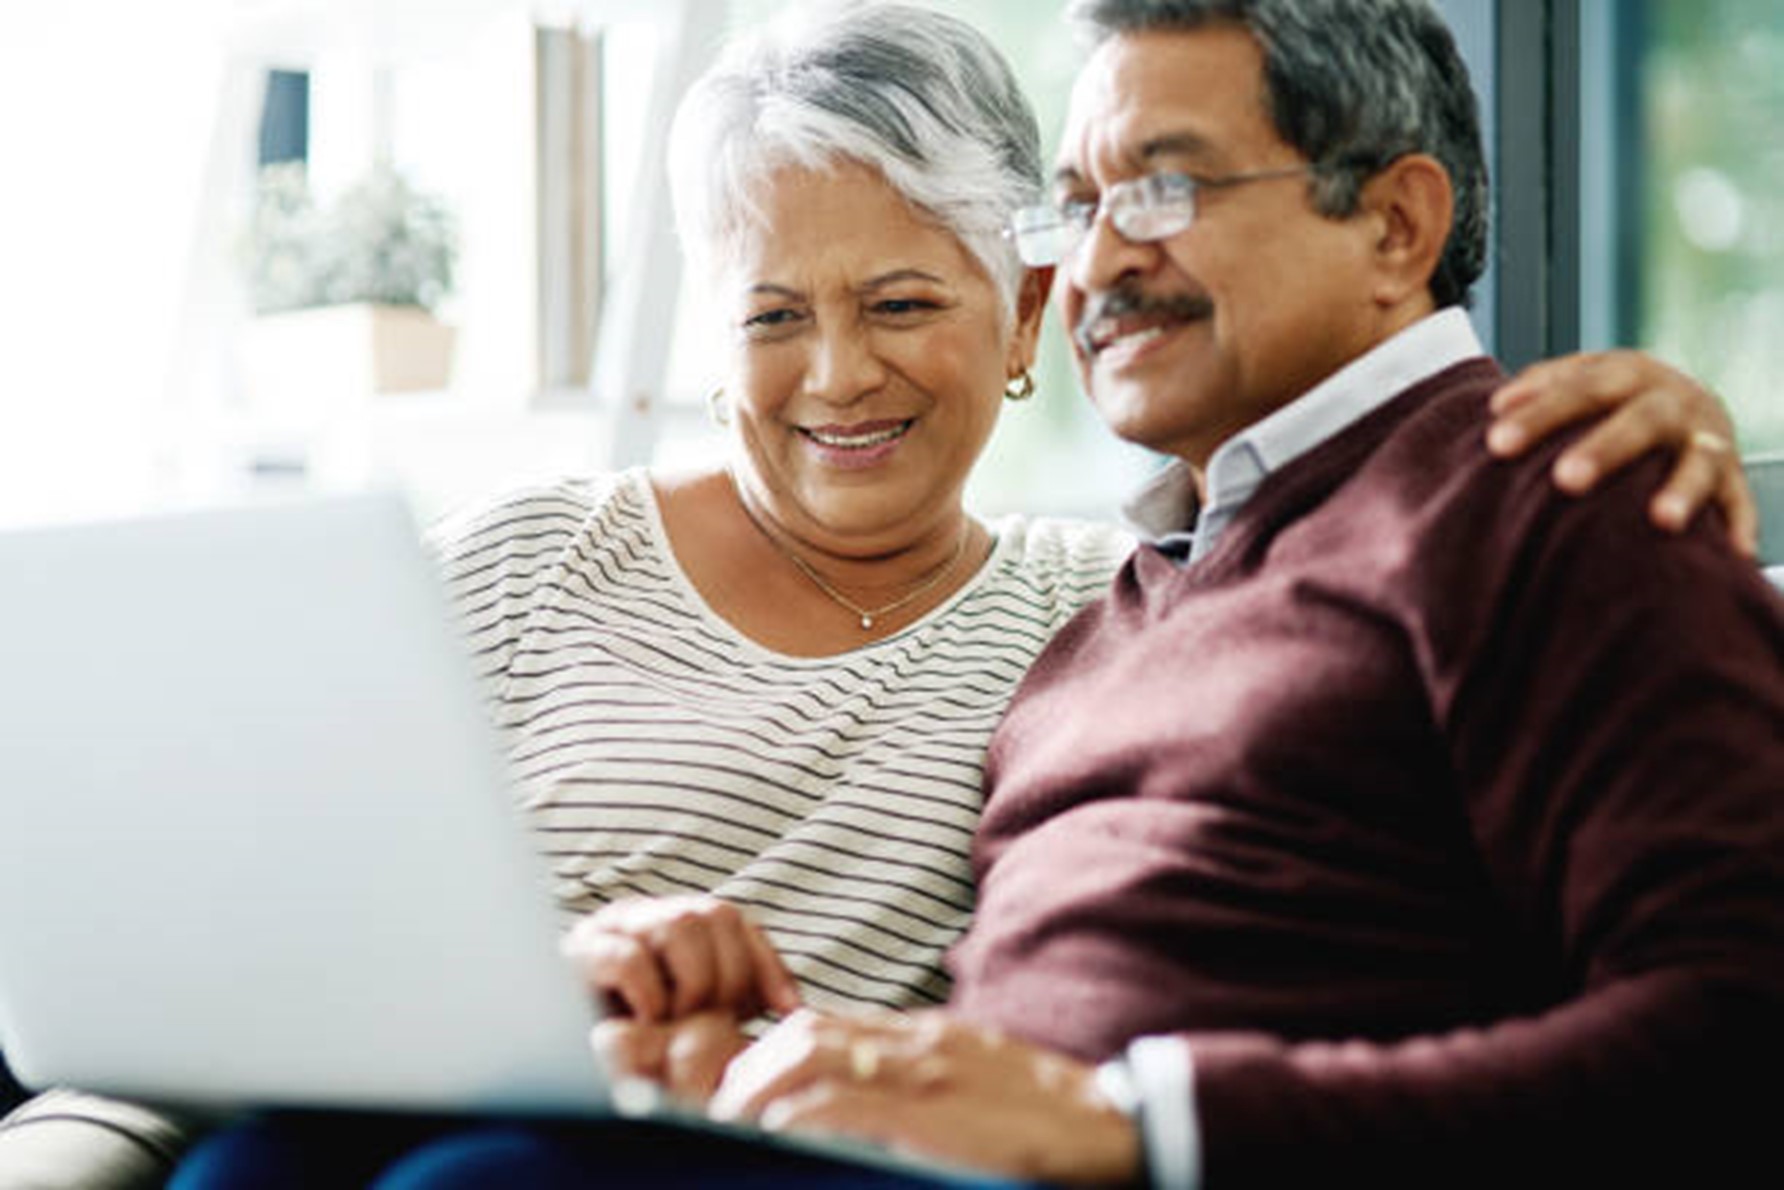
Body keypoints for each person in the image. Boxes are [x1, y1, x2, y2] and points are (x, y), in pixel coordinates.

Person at [70, 2, 1761, 1188]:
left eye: (1157, 190)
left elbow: (1739, 1027)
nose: (1103, 257)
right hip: (818, 1127)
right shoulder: (1139, 602)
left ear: (1398, 223)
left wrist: (1134, 1120)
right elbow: (1016, 1010)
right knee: (258, 1163)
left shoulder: (1556, 494)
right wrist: (780, 1040)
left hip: (1072, 1159)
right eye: (1086, 203)